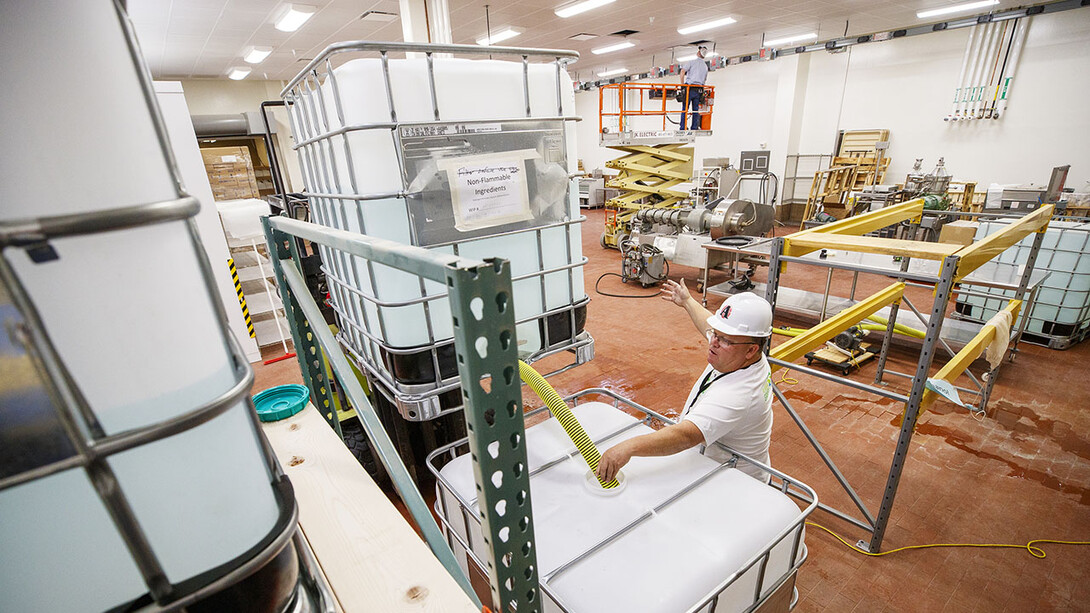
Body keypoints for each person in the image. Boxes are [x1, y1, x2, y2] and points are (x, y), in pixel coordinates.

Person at [596, 280, 774, 482]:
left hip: (736, 482)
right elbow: (709, 324)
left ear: (751, 350)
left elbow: (686, 436)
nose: (713, 342)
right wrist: (688, 301)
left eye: (723, 339)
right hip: (718, 464)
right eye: (715, 334)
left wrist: (627, 448)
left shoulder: (738, 394)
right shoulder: (740, 353)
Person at [679, 46, 710, 130]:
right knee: (695, 110)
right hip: (699, 90)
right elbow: (704, 79)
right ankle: (694, 127)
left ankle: (683, 127)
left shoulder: (692, 62)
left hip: (689, 88)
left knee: (685, 109)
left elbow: (682, 71)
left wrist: (682, 85)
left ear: (698, 53)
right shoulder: (705, 67)